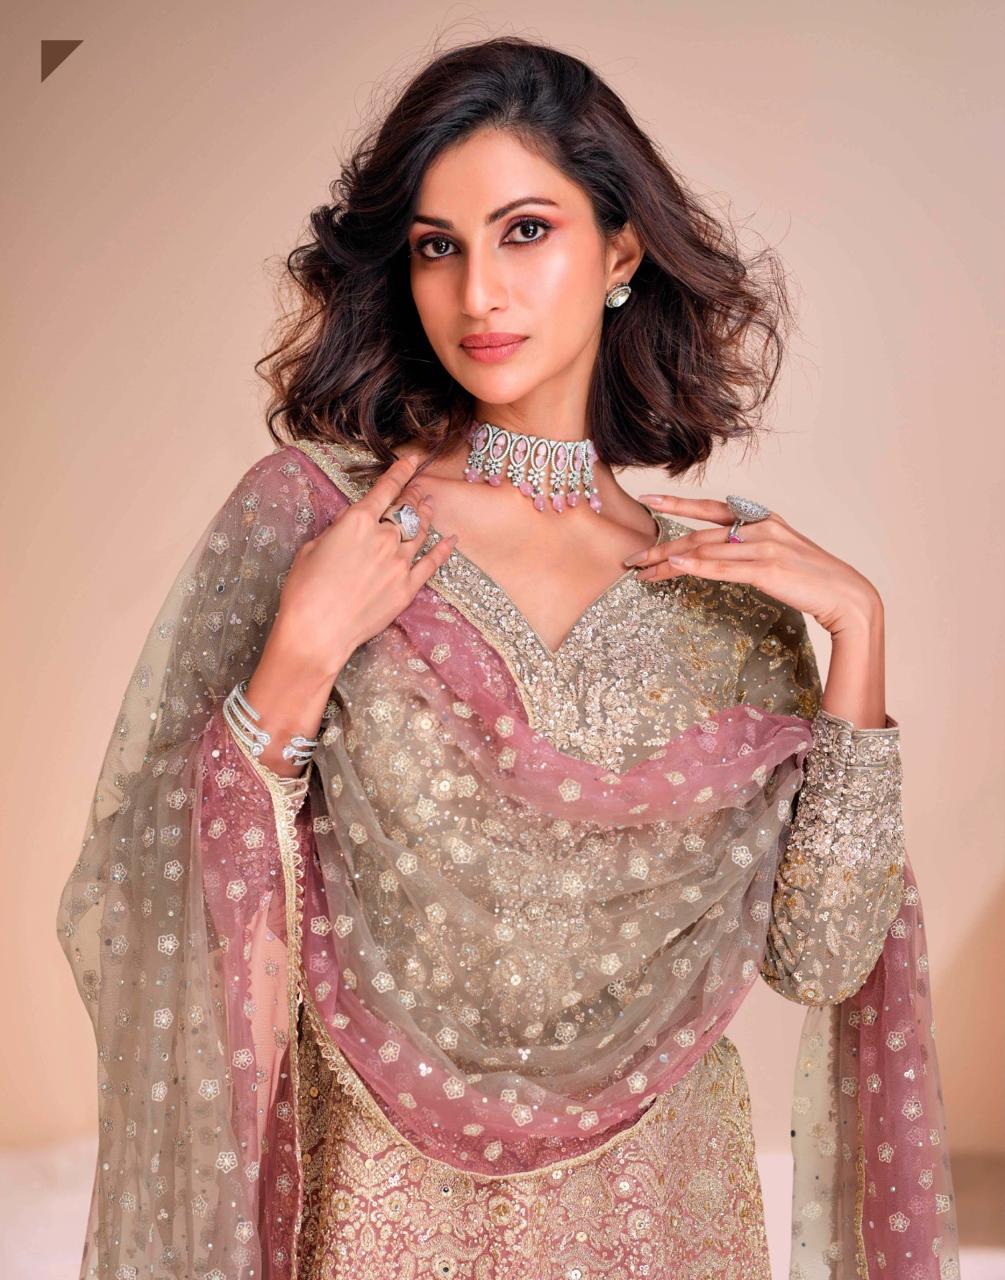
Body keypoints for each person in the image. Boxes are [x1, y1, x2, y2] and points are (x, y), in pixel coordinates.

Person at [56, 34, 960, 1280]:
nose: (478, 292)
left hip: (664, 1212)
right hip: (381, 1213)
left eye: (525, 232)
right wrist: (300, 655)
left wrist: (859, 630)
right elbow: (154, 889)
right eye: (439, 247)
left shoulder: (725, 602)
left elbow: (824, 958)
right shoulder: (319, 520)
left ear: (622, 252)